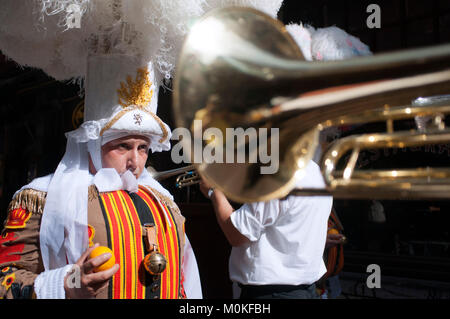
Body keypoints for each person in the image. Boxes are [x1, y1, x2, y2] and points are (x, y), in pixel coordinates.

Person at [199, 160, 333, 299]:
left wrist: (213, 191)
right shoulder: (316, 171)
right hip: (306, 290)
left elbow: (236, 233)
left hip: (271, 293)